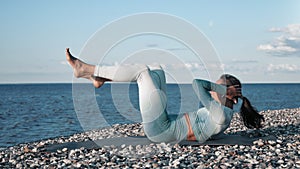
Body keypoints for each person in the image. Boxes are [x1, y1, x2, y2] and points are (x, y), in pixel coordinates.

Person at [65, 48, 264, 143]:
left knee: (142, 71)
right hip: (165, 121)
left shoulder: (219, 114)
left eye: (218, 87)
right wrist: (223, 90)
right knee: (157, 69)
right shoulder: (221, 113)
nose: (213, 90)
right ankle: (100, 79)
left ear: (230, 95)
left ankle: (85, 69)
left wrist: (221, 90)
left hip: (160, 129)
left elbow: (197, 84)